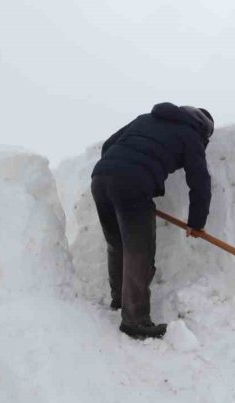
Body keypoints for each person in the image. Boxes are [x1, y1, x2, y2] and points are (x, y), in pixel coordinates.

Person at [91, 102, 214, 340]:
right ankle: (135, 321)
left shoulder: (145, 118)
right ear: (202, 129)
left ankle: (119, 299)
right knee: (140, 252)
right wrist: (196, 223)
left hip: (101, 177)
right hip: (133, 183)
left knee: (117, 243)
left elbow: (108, 145)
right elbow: (199, 181)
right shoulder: (191, 135)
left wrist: (118, 172)